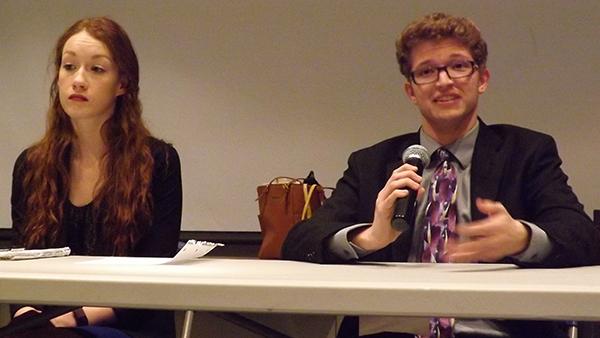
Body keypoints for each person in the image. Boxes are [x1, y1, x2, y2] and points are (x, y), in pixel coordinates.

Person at [282, 12, 600, 338]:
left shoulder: (527, 152)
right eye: (427, 71)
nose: (444, 81)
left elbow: (584, 237)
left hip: (494, 331)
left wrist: (522, 238)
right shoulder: (372, 163)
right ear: (410, 91)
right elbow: (299, 241)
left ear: (483, 79)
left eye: (459, 66)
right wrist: (369, 237)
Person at [6, 17, 182, 338]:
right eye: (69, 67)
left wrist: (69, 319)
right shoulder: (31, 165)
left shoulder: (158, 161)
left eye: (97, 69)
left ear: (123, 83)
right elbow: (22, 262)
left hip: (128, 326)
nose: (79, 80)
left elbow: (153, 274)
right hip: (45, 327)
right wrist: (27, 314)